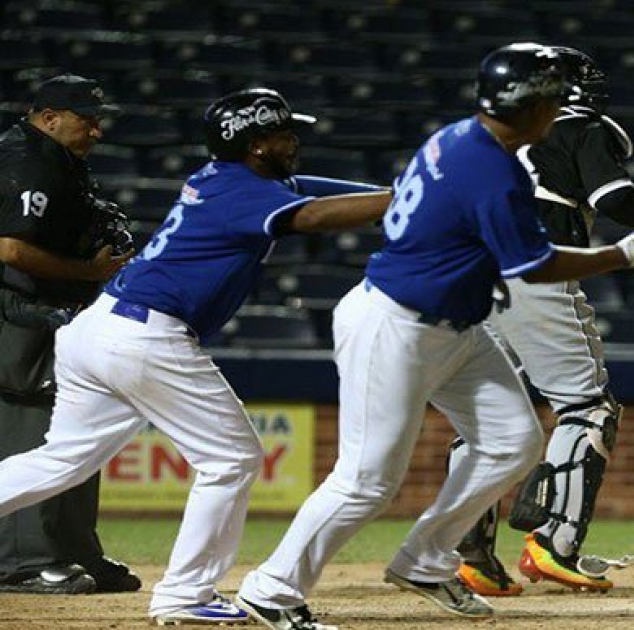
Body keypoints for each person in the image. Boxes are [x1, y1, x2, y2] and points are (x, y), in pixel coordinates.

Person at [235, 42, 634, 630]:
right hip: (397, 322)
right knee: (366, 480)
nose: (555, 112)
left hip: (457, 322)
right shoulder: (490, 166)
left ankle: (424, 559)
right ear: (532, 106)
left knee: (512, 440)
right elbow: (532, 265)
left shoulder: (465, 137)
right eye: (548, 100)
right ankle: (271, 588)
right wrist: (620, 253)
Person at [0, 87, 393, 624]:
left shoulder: (233, 180)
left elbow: (320, 195)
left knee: (61, 461)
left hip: (100, 329)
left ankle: (187, 592)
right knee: (232, 460)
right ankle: (185, 595)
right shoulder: (245, 192)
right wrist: (412, 200)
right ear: (255, 145)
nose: (293, 140)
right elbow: (313, 217)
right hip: (144, 334)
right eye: (281, 133)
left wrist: (404, 192)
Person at [450, 45, 634, 598]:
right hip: (538, 271)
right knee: (587, 407)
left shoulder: (488, 135)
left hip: (473, 276)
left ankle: (469, 557)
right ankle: (556, 544)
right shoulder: (578, 124)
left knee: (482, 420)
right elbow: (615, 197)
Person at [0, 73, 140, 596]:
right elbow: (10, 250)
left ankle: (75, 551)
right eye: (88, 120)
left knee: (79, 424)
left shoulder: (58, 160)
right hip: (16, 314)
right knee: (29, 426)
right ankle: (19, 561)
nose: (97, 132)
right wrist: (87, 272)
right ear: (50, 116)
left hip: (50, 309)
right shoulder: (26, 158)